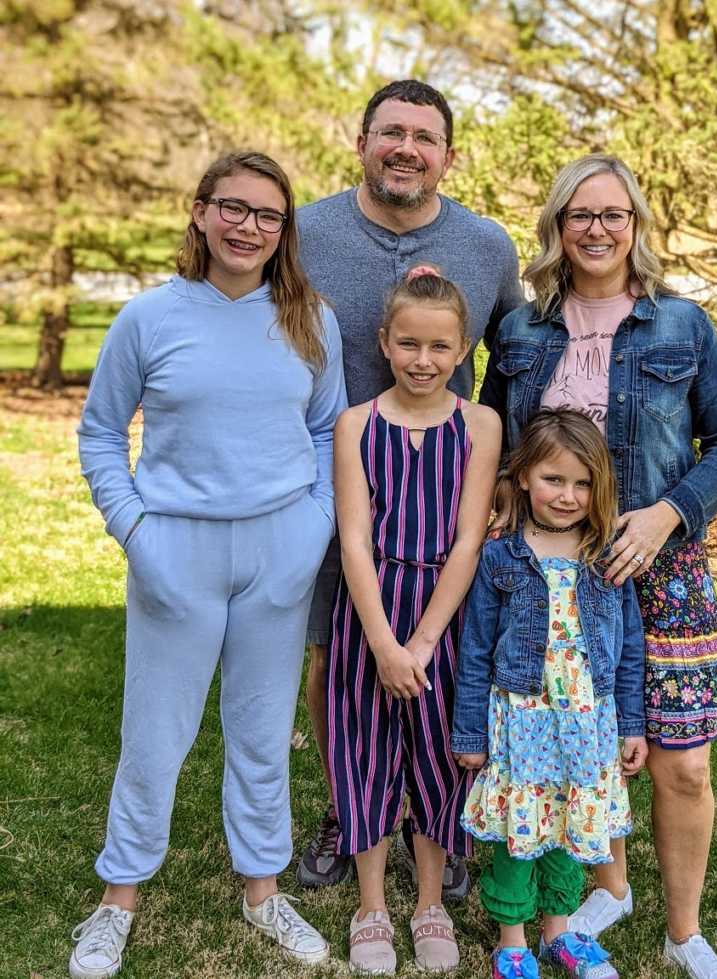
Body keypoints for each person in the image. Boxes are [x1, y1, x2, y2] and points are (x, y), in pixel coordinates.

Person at [479, 154, 717, 979]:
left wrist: (669, 510)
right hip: (555, 566)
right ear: (557, 228)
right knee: (575, 741)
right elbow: (496, 436)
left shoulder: (681, 324)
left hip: (659, 563)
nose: (596, 229)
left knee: (682, 758)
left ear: (635, 225)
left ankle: (684, 931)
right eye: (579, 215)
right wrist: (502, 494)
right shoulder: (522, 330)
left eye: (613, 214)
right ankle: (609, 885)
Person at [70, 151, 346, 978]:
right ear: (199, 212)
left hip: (279, 550)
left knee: (262, 733)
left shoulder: (309, 318)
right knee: (153, 736)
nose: (249, 226)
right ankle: (118, 897)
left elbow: (331, 431)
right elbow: (99, 433)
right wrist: (138, 533)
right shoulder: (150, 318)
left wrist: (312, 531)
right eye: (233, 207)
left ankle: (263, 889)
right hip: (176, 549)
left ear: (283, 230)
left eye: (268, 215)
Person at [296, 78, 523, 896]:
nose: (407, 149)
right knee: (335, 659)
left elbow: (515, 359)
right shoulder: (305, 233)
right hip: (332, 484)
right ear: (361, 142)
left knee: (448, 666)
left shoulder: (488, 247)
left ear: (448, 157)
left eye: (425, 138)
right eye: (391, 132)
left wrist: (501, 469)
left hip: (441, 495)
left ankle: (439, 814)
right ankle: (348, 804)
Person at [326, 269, 501, 973]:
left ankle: (429, 898)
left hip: (445, 614)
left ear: (462, 349)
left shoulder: (479, 425)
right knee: (363, 751)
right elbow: (354, 540)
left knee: (437, 758)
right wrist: (382, 641)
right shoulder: (356, 424)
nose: (422, 359)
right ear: (384, 342)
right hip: (370, 608)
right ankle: (371, 903)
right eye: (408, 343)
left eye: (439, 346)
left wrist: (424, 642)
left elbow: (468, 539)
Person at [452, 408, 647, 979]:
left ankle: (560, 933)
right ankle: (513, 944)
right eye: (553, 479)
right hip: (522, 722)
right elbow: (475, 650)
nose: (567, 495)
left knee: (571, 828)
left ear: (600, 487)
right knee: (521, 831)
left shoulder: (607, 554)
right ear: (523, 480)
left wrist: (632, 726)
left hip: (588, 724)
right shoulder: (502, 557)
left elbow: (629, 648)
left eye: (582, 483)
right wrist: (470, 733)